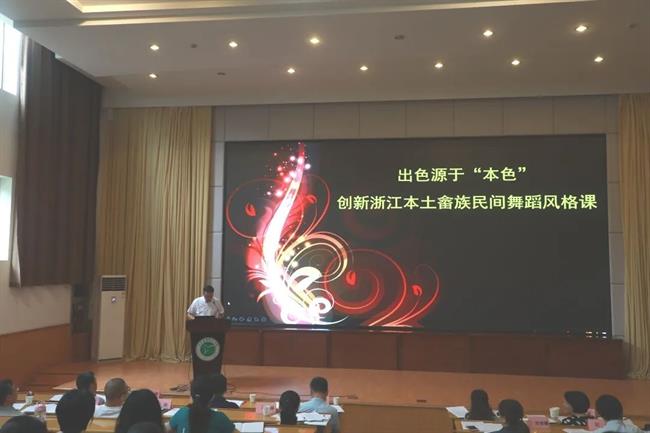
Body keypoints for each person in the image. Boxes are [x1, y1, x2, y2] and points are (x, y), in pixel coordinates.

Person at [169, 376, 238, 433]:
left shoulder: (182, 412)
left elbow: (165, 429)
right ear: (212, 397)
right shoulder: (220, 418)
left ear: (192, 395)